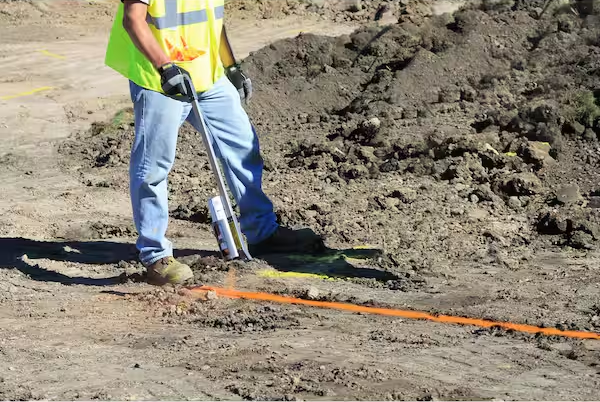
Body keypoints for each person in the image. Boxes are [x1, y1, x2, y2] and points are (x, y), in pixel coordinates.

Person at [105, 0, 324, 285]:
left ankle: (262, 233)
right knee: (152, 167)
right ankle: (155, 254)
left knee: (243, 149)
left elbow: (212, 20)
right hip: (160, 80)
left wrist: (230, 65)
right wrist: (165, 67)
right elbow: (134, 20)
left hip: (208, 76)